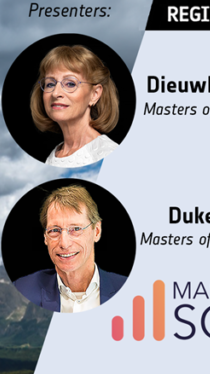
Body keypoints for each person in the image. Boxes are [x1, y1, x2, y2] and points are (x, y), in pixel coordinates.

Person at [12, 185, 126, 313]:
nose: (64, 244)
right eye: (54, 230)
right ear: (45, 237)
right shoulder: (22, 288)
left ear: (97, 231)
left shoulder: (126, 289)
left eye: (76, 229)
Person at [30, 45, 120, 168]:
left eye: (70, 84)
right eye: (50, 84)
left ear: (95, 94)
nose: (56, 93)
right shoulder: (54, 155)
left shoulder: (108, 153)